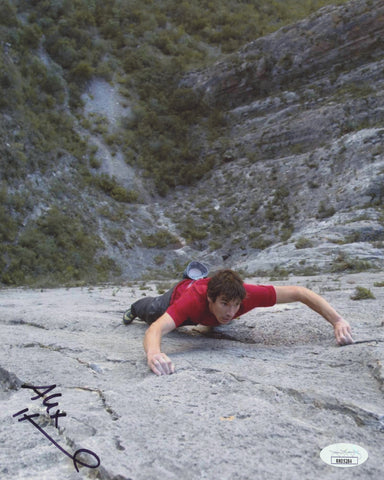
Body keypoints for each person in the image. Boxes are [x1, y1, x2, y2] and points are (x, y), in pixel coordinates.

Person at [123, 269, 354, 376]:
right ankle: (134, 307)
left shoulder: (247, 294)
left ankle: (196, 278)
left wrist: (337, 320)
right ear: (211, 298)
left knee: (217, 323)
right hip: (177, 297)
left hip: (205, 310)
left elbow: (299, 292)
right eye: (225, 304)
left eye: (236, 305)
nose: (231, 311)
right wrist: (153, 353)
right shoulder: (192, 301)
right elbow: (156, 328)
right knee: (151, 311)